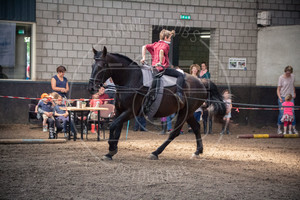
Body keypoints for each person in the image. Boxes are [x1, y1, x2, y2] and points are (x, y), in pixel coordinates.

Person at [141, 29, 185, 105]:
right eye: (170, 38)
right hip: (163, 69)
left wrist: (143, 58)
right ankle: (179, 94)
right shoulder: (166, 45)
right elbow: (161, 51)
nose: (170, 40)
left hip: (154, 68)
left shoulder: (155, 44)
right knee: (180, 75)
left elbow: (144, 47)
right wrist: (161, 62)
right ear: (165, 38)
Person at [277, 66, 297, 134]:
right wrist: (279, 97)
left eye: (289, 73)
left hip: (290, 97)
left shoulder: (293, 77)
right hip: (283, 97)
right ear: (285, 71)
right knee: (282, 113)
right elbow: (278, 89)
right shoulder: (281, 78)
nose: (288, 74)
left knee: (292, 113)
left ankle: (293, 128)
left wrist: (294, 92)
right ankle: (279, 128)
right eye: (287, 73)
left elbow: (292, 85)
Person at [200, 62, 213, 134]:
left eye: (203, 66)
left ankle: (210, 129)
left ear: (206, 66)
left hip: (207, 92)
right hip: (202, 91)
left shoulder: (207, 73)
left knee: (209, 113)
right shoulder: (200, 73)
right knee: (204, 114)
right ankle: (205, 130)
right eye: (202, 66)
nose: (202, 67)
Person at [188, 64, 202, 133]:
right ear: (191, 69)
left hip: (196, 95)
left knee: (197, 111)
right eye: (194, 68)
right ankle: (190, 127)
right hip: (190, 95)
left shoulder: (199, 78)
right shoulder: (189, 77)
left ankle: (195, 126)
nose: (195, 70)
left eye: (196, 69)